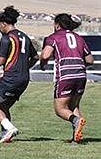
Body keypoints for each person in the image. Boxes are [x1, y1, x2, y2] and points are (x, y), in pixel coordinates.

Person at [0, 6, 39, 143]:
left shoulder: (7, 38)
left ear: (4, 24)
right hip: (24, 79)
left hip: (11, 78)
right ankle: (5, 133)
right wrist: (24, 68)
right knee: (3, 106)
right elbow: (35, 57)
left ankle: (10, 128)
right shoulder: (25, 37)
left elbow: (0, 61)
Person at [40, 13, 94, 143]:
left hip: (66, 75)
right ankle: (77, 138)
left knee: (60, 109)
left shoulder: (53, 37)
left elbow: (46, 55)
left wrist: (42, 63)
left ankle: (76, 120)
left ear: (57, 25)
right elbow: (90, 60)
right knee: (74, 106)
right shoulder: (79, 38)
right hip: (81, 75)